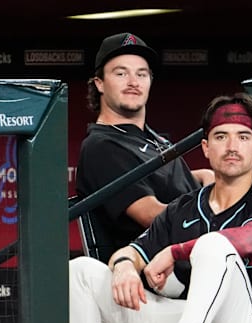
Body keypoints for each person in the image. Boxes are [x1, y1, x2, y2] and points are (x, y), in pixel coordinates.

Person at [65, 93, 252, 323]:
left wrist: (178, 251)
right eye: (221, 136)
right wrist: (123, 265)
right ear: (206, 148)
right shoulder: (183, 207)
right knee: (81, 271)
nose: (232, 146)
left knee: (213, 245)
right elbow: (134, 252)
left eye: (243, 136)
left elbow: (251, 240)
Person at [76, 32, 214, 263]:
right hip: (154, 271)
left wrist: (205, 176)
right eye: (121, 73)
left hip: (192, 255)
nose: (133, 82)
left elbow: (166, 183)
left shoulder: (152, 139)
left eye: (141, 74)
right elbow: (152, 214)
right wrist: (217, 210)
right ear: (99, 83)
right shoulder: (102, 147)